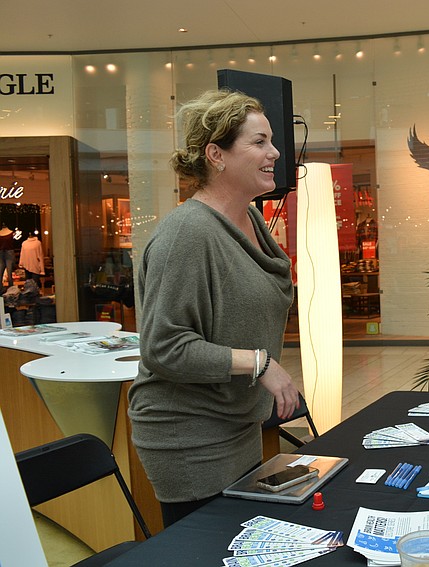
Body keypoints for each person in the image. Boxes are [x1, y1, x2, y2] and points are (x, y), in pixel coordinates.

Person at [128, 89, 300, 527]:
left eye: (272, 141)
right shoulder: (187, 233)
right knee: (209, 548)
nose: (275, 153)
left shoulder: (251, 218)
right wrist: (260, 364)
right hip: (191, 437)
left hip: (239, 424)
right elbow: (164, 347)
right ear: (216, 155)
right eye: (259, 142)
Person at [0, 222, 16, 291]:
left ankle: (8, 289)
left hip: (4, 252)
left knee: (6, 272)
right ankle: (9, 288)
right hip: (7, 252)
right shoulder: (11, 233)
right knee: (7, 272)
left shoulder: (11, 233)